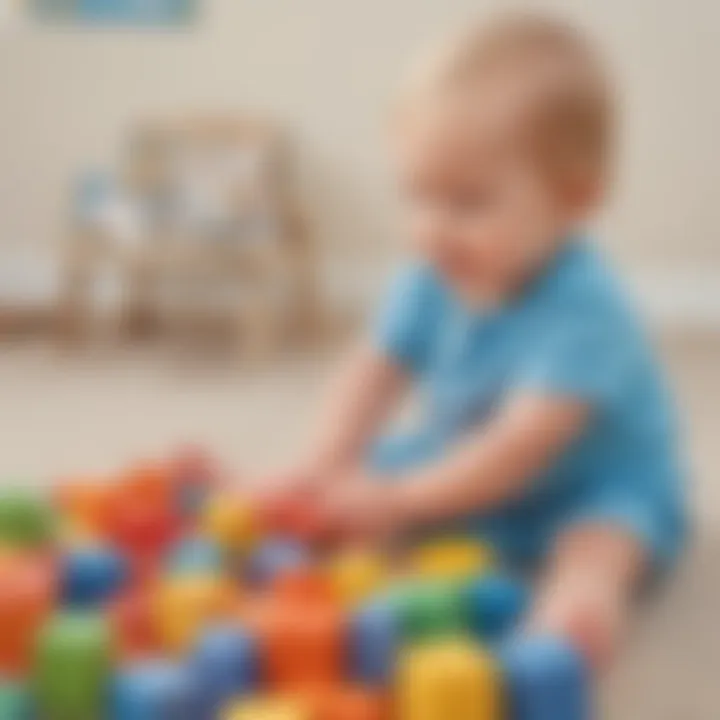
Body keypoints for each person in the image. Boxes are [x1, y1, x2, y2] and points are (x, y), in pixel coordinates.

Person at [257, 14, 687, 671]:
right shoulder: (431, 274)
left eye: (466, 203)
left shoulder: (585, 308)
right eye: (416, 196)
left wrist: (401, 502)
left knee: (602, 543)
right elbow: (371, 374)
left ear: (574, 199)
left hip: (591, 481)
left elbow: (519, 445)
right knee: (364, 482)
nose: (432, 229)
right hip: (461, 455)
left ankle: (579, 610)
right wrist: (324, 463)